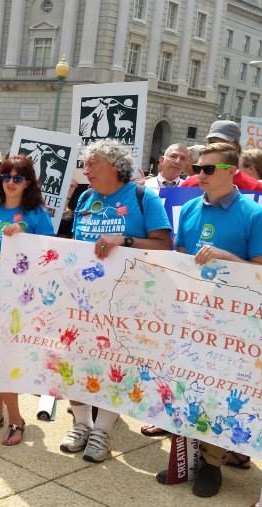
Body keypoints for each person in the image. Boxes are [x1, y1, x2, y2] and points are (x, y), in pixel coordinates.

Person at [156, 143, 262, 497]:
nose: (198, 175)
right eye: (198, 168)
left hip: (232, 322)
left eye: (207, 169)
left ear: (229, 171)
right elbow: (179, 258)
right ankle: (186, 457)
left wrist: (226, 258)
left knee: (220, 393)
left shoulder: (253, 214)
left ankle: (212, 463)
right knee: (188, 387)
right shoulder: (190, 207)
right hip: (191, 315)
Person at [64, 139, 173, 462]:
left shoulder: (143, 197)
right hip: (83, 299)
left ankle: (102, 431)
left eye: (92, 163)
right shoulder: (85, 197)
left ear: (114, 166)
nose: (86, 169)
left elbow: (164, 245)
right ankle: (81, 425)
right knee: (75, 362)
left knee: (115, 367)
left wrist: (122, 241)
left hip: (125, 301)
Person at [0, 155, 55, 445]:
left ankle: (16, 419)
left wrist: (24, 233)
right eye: (6, 176)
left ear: (28, 182)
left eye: (18, 177)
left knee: (0, 363)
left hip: (19, 301)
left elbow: (50, 255)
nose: (11, 182)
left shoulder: (37, 214)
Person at [180, 121, 262, 192]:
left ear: (237, 149)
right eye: (212, 143)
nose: (216, 147)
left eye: (223, 143)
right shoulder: (189, 184)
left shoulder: (254, 188)